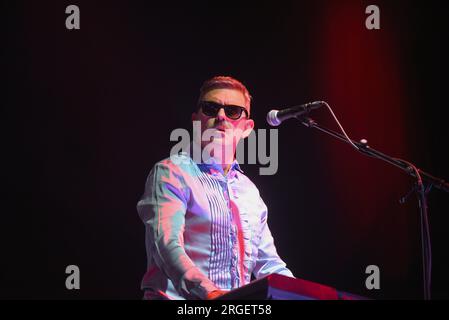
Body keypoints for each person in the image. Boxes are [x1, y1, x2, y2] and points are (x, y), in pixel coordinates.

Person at [137, 76, 294, 300]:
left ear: (247, 128)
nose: (221, 116)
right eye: (210, 108)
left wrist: (306, 296)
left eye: (233, 111)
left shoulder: (250, 192)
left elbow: (270, 265)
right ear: (195, 120)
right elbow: (166, 246)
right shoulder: (171, 172)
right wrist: (209, 293)